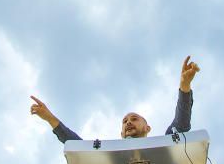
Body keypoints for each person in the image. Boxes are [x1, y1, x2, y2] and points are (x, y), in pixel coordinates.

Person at [30, 56, 201, 143]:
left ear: (148, 128)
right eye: (125, 121)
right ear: (121, 134)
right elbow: (78, 146)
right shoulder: (109, 156)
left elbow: (182, 122)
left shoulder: (165, 143)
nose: (128, 123)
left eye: (134, 119)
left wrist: (184, 85)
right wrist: (50, 118)